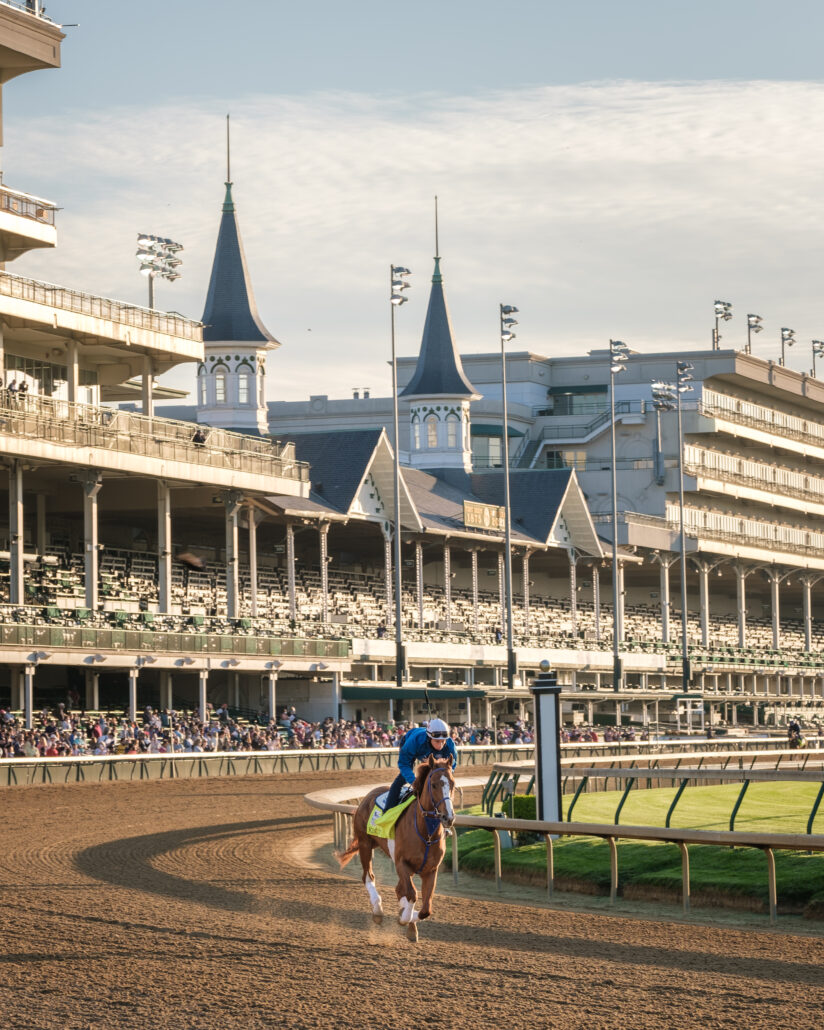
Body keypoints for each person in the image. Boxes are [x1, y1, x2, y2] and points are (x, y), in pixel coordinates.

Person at [383, 717, 457, 811]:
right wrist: (414, 782)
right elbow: (403, 764)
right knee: (402, 778)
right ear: (429, 738)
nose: (440, 745)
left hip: (427, 753)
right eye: (437, 741)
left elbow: (452, 766)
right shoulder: (414, 741)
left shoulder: (450, 746)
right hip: (410, 743)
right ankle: (387, 810)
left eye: (443, 741)